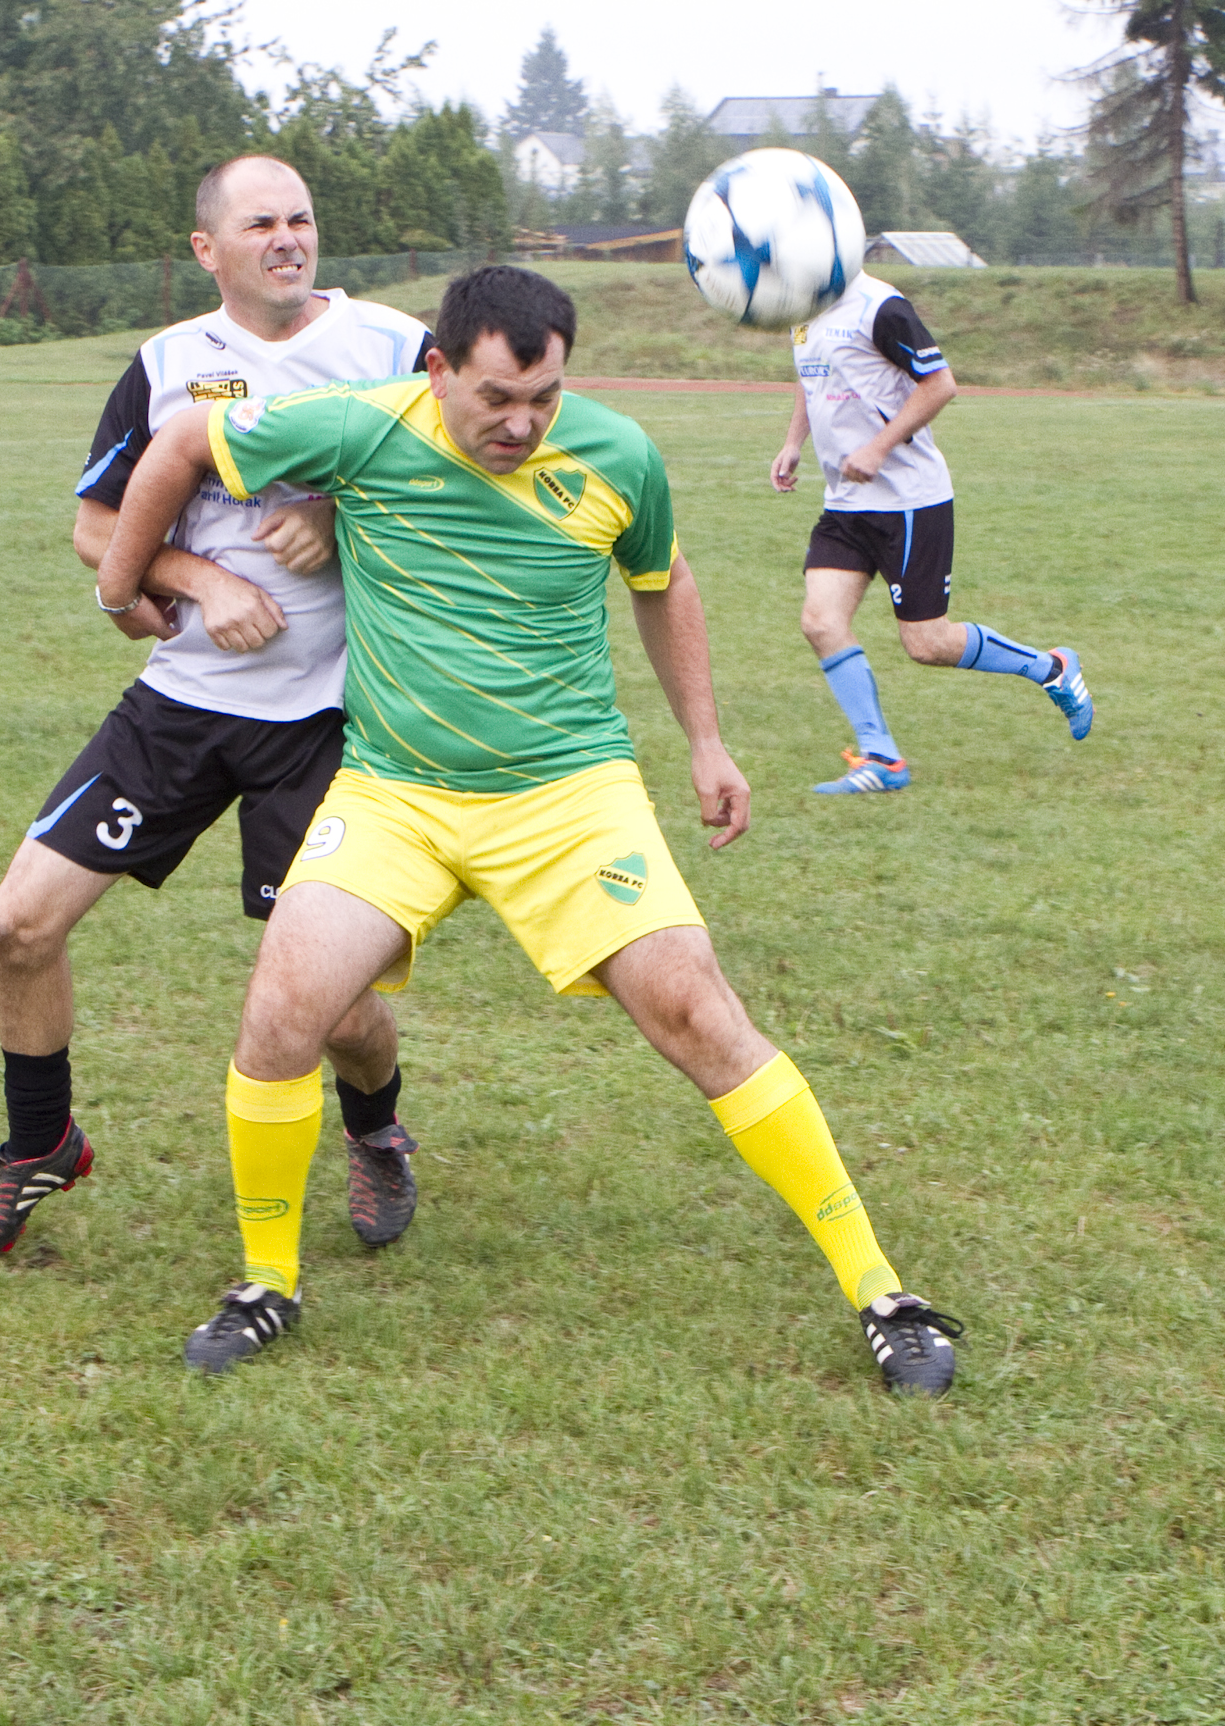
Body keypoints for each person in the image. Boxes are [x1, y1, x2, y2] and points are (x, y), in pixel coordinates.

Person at [93, 264, 964, 1395]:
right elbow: (179, 444)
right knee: (280, 1013)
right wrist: (127, 589)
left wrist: (704, 741)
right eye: (495, 396)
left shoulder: (616, 455)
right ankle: (265, 1281)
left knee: (698, 1014)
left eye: (541, 398)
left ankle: (882, 1291)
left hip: (567, 795)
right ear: (440, 367)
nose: (518, 423)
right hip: (395, 793)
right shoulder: (361, 425)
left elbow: (663, 579)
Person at [0, 154, 438, 1263]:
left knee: (337, 1006)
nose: (288, 238)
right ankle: (40, 1144)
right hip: (181, 704)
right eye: (261, 222)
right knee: (16, 926)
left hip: (331, 717)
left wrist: (340, 510)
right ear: (207, 248)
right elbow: (96, 530)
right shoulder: (168, 363)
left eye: (303, 219)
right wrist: (200, 579)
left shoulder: (394, 348)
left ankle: (374, 1127)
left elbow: (476, 476)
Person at [771, 271, 1090, 793]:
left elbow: (940, 383)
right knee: (820, 620)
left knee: (926, 642)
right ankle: (883, 760)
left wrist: (878, 446)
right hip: (846, 505)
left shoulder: (880, 305)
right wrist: (792, 442)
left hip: (910, 501)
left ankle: (1051, 667)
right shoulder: (803, 307)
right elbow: (814, 380)